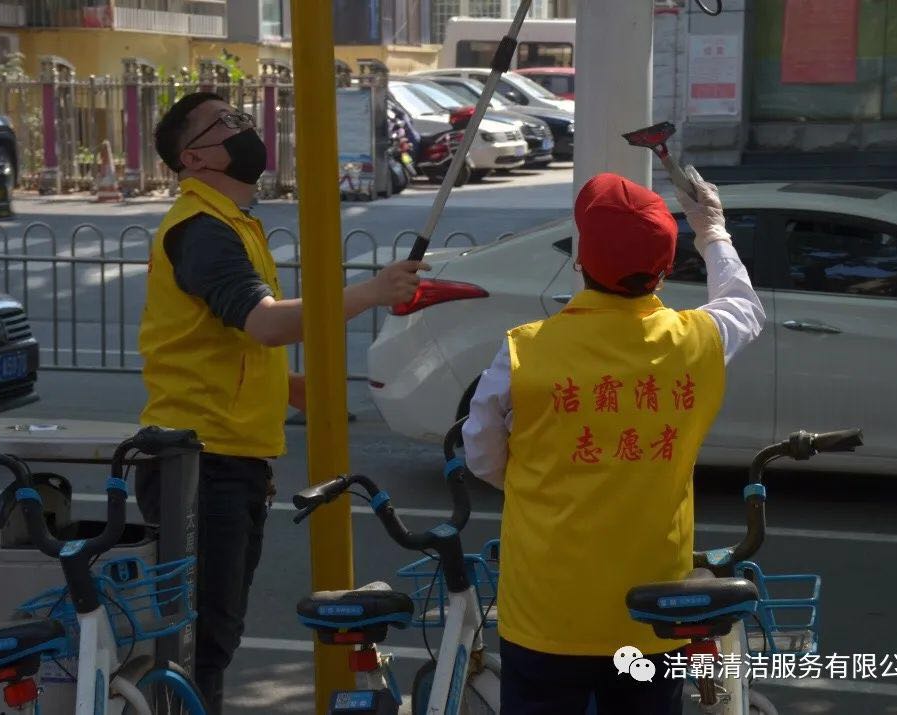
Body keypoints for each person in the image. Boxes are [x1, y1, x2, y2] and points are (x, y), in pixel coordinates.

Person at [136, 91, 428, 713]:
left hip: (225, 457)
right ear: (193, 157)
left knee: (210, 639)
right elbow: (265, 324)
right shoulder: (202, 229)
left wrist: (290, 388)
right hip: (200, 461)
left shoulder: (231, 222)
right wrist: (372, 291)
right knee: (200, 645)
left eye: (241, 118)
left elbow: (228, 343)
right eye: (226, 123)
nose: (244, 129)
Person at [461, 168, 766, 714]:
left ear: (581, 259)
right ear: (665, 270)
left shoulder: (524, 352)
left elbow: (482, 453)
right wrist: (712, 230)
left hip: (546, 609)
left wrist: (538, 486)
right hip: (655, 609)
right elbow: (744, 307)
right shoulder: (697, 341)